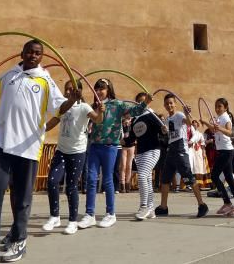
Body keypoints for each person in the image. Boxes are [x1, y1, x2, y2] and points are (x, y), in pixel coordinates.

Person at [0, 39, 77, 264]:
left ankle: (19, 239)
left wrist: (71, 100)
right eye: (29, 51)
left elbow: (59, 108)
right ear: (22, 52)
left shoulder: (46, 80)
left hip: (27, 148)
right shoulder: (10, 74)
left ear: (42, 57)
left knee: (21, 199)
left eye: (38, 53)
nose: (33, 55)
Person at [80, 77, 151, 230]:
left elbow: (135, 110)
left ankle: (110, 214)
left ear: (109, 89)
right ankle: (89, 214)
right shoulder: (95, 106)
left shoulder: (118, 105)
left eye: (102, 88)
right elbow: (89, 121)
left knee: (107, 180)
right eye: (97, 89)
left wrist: (146, 102)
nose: (99, 91)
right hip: (94, 146)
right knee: (91, 179)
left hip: (110, 147)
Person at [41, 80, 102, 234]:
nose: (67, 92)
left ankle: (73, 221)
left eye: (71, 89)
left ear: (79, 91)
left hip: (77, 152)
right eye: (66, 89)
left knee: (71, 187)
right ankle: (54, 216)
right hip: (61, 150)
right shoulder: (63, 106)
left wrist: (101, 111)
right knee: (52, 181)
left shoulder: (84, 107)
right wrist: (38, 129)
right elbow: (53, 121)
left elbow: (97, 119)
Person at [155, 94, 208, 217]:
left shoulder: (179, 115)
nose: (169, 105)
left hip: (180, 150)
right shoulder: (167, 119)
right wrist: (164, 131)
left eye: (171, 103)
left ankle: (202, 205)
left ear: (175, 104)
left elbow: (189, 123)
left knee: (189, 178)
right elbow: (168, 133)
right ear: (164, 105)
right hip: (171, 150)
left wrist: (187, 113)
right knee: (165, 179)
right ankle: (163, 207)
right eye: (167, 103)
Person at [125, 92, 166, 220]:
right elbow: (131, 139)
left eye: (145, 101)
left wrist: (164, 130)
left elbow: (162, 130)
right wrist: (119, 140)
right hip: (141, 153)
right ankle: (151, 209)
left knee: (142, 176)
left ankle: (143, 207)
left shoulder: (151, 115)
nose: (143, 104)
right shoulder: (135, 119)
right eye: (140, 102)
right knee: (147, 179)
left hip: (153, 150)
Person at [206, 97, 234, 216]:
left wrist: (220, 128)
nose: (217, 108)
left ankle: (228, 202)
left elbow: (230, 132)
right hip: (223, 151)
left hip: (227, 152)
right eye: (216, 106)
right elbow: (215, 130)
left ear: (225, 107)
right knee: (229, 179)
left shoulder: (226, 117)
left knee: (214, 176)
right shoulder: (219, 118)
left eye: (220, 106)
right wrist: (205, 123)